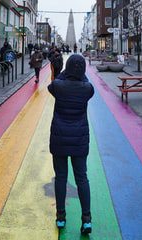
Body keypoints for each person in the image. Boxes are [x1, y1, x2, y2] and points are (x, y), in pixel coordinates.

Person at [47, 54, 94, 235]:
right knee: (82, 178)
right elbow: (86, 81)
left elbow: (54, 83)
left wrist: (64, 71)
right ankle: (87, 220)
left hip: (59, 138)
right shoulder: (87, 88)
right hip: (79, 140)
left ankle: (60, 217)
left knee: (60, 177)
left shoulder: (58, 86)